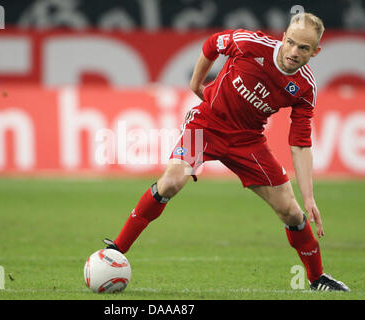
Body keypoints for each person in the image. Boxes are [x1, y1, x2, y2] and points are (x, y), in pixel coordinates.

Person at [103, 12, 350, 292]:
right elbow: (211, 44)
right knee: (171, 182)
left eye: (303, 48)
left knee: (292, 213)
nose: (294, 52)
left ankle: (317, 278)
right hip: (207, 124)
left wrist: (309, 197)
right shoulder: (250, 44)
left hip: (248, 141)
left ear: (315, 51)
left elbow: (300, 142)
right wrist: (196, 84)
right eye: (291, 42)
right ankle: (118, 249)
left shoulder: (305, 87)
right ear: (283, 37)